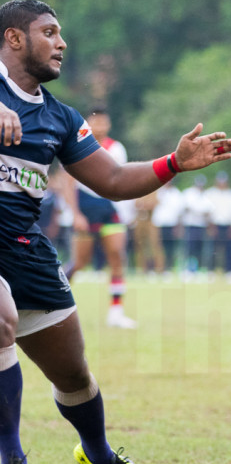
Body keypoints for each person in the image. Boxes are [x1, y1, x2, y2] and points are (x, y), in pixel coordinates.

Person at [0, 0, 231, 464]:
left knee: (74, 374)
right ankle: (11, 462)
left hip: (25, 250)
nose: (61, 42)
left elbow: (109, 178)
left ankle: (99, 451)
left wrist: (173, 162)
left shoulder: (60, 118)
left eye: (60, 33)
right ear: (14, 38)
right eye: (49, 31)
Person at [60, 107, 138, 328]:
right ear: (87, 123)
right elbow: (67, 184)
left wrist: (127, 211)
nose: (101, 126)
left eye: (104, 122)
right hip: (85, 208)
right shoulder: (77, 144)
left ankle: (116, 311)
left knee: (117, 257)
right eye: (96, 122)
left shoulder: (117, 148)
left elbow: (122, 179)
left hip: (109, 209)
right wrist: (75, 214)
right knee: (79, 263)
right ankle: (53, 307)